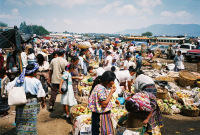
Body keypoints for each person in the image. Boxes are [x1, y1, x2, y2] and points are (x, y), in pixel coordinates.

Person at [6, 63, 46, 134]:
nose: (37, 73)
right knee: (31, 120)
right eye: (36, 72)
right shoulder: (36, 81)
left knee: (21, 120)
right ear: (33, 72)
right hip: (33, 102)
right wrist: (43, 102)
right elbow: (41, 94)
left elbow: (8, 87)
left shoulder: (19, 79)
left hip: (20, 101)